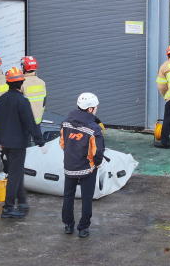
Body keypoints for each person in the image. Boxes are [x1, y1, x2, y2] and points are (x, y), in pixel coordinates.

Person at [0, 67, 46, 218]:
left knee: (17, 172)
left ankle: (22, 201)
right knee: (14, 175)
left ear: (8, 83)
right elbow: (30, 122)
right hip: (17, 145)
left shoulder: (1, 100)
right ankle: (8, 207)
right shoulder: (22, 101)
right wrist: (40, 141)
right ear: (21, 83)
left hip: (5, 144)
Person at [61, 92, 105, 238]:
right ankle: (83, 228)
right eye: (96, 107)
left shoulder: (66, 123)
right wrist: (97, 164)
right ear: (90, 109)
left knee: (68, 195)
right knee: (87, 197)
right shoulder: (94, 128)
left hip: (69, 166)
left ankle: (68, 225)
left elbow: (63, 143)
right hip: (87, 168)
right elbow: (98, 151)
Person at [20, 56, 47, 126]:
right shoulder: (42, 82)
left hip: (24, 122)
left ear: (24, 67)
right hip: (37, 120)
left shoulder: (21, 83)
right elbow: (44, 102)